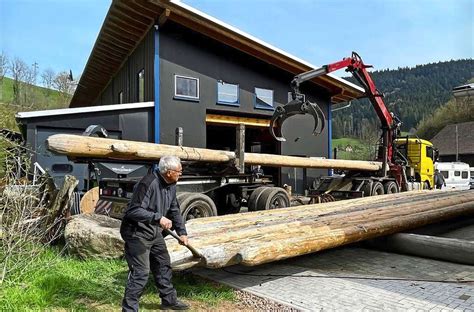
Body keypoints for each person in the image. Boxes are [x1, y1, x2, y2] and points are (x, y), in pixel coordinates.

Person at [120, 155, 189, 311]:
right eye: (179, 171)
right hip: (136, 233)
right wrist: (158, 218)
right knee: (141, 273)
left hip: (154, 232)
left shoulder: (171, 184)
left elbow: (174, 210)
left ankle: (169, 301)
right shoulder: (147, 183)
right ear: (169, 172)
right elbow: (133, 211)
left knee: (163, 265)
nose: (180, 174)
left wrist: (182, 232)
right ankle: (129, 309)